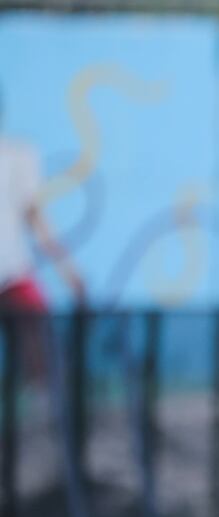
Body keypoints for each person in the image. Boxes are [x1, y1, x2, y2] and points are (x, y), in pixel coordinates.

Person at [0, 84, 85, 380]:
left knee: (43, 362)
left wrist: (68, 271)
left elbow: (36, 219)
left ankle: (46, 406)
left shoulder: (18, 155)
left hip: (12, 275)